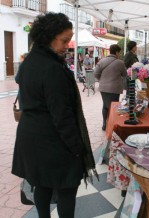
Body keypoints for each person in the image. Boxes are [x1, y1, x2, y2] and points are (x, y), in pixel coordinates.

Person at [12, 12, 97, 218]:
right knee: (66, 189)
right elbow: (62, 115)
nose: (68, 45)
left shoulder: (30, 60)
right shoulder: (52, 68)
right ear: (49, 36)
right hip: (52, 139)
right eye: (65, 40)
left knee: (42, 185)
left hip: (30, 135)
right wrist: (77, 148)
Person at [94, 44, 127, 131]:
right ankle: (111, 124)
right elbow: (125, 74)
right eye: (119, 52)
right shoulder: (120, 62)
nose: (119, 54)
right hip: (114, 89)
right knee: (113, 107)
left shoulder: (102, 61)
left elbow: (95, 73)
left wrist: (102, 80)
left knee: (105, 105)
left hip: (103, 88)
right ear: (116, 52)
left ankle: (104, 124)